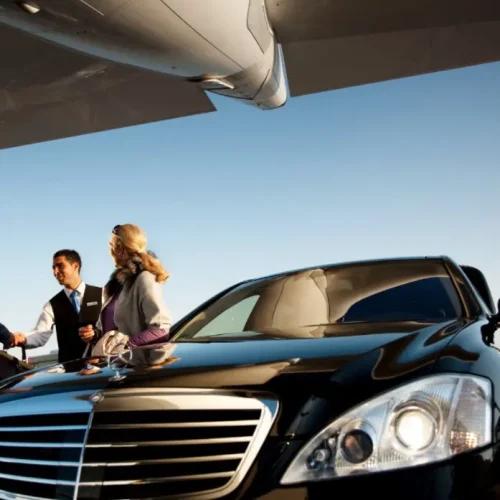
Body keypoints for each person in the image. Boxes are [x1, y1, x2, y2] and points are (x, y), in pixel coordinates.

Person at [79, 224, 172, 351]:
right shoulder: (114, 285)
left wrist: (124, 346)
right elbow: (112, 332)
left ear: (120, 248)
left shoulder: (144, 279)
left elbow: (161, 330)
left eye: (111, 246)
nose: (110, 251)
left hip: (135, 366)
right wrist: (94, 335)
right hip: (112, 365)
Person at [12, 249, 102, 363]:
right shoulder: (52, 305)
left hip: (103, 368)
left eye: (60, 266)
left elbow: (115, 327)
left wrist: (96, 333)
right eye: (53, 268)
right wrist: (22, 338)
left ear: (76, 266)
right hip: (70, 373)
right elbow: (40, 333)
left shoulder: (102, 294)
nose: (55, 272)